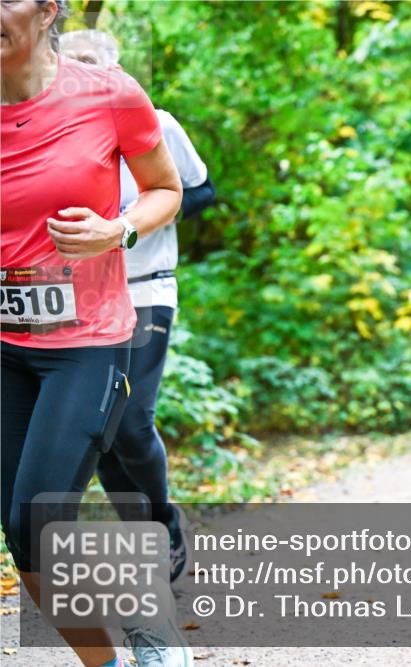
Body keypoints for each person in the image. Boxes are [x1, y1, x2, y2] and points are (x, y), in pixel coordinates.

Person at [1, 2, 188, 666]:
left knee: (38, 519)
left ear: (47, 10)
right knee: (23, 536)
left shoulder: (109, 93)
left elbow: (165, 188)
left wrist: (119, 229)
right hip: (5, 348)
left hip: (87, 342)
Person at [60, 28, 216, 587]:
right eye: (68, 60)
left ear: (114, 67)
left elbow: (199, 191)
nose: (78, 71)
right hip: (82, 299)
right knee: (98, 429)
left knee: (132, 421)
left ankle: (165, 521)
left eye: (89, 61)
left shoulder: (156, 120)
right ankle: (145, 537)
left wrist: (136, 218)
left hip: (147, 286)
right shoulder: (53, 133)